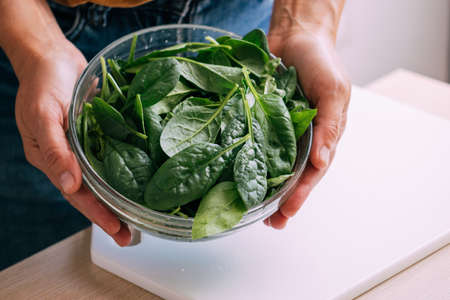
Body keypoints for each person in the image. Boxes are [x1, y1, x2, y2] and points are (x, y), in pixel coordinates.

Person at [0, 0, 350, 269]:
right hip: (45, 31)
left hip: (239, 32)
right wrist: (36, 48)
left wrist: (303, 25)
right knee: (44, 272)